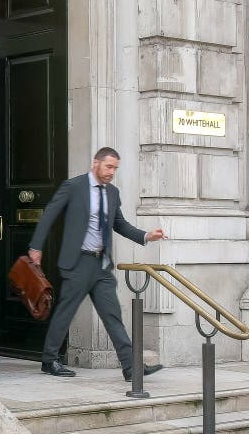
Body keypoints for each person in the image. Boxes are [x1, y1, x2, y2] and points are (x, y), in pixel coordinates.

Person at [28, 147, 167, 380]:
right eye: (108, 166)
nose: (112, 172)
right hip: (78, 261)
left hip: (101, 266)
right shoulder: (74, 187)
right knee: (66, 312)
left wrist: (146, 235)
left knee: (113, 316)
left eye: (115, 168)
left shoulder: (112, 193)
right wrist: (36, 246)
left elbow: (119, 224)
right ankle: (49, 360)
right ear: (96, 163)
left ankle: (132, 368)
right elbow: (50, 213)